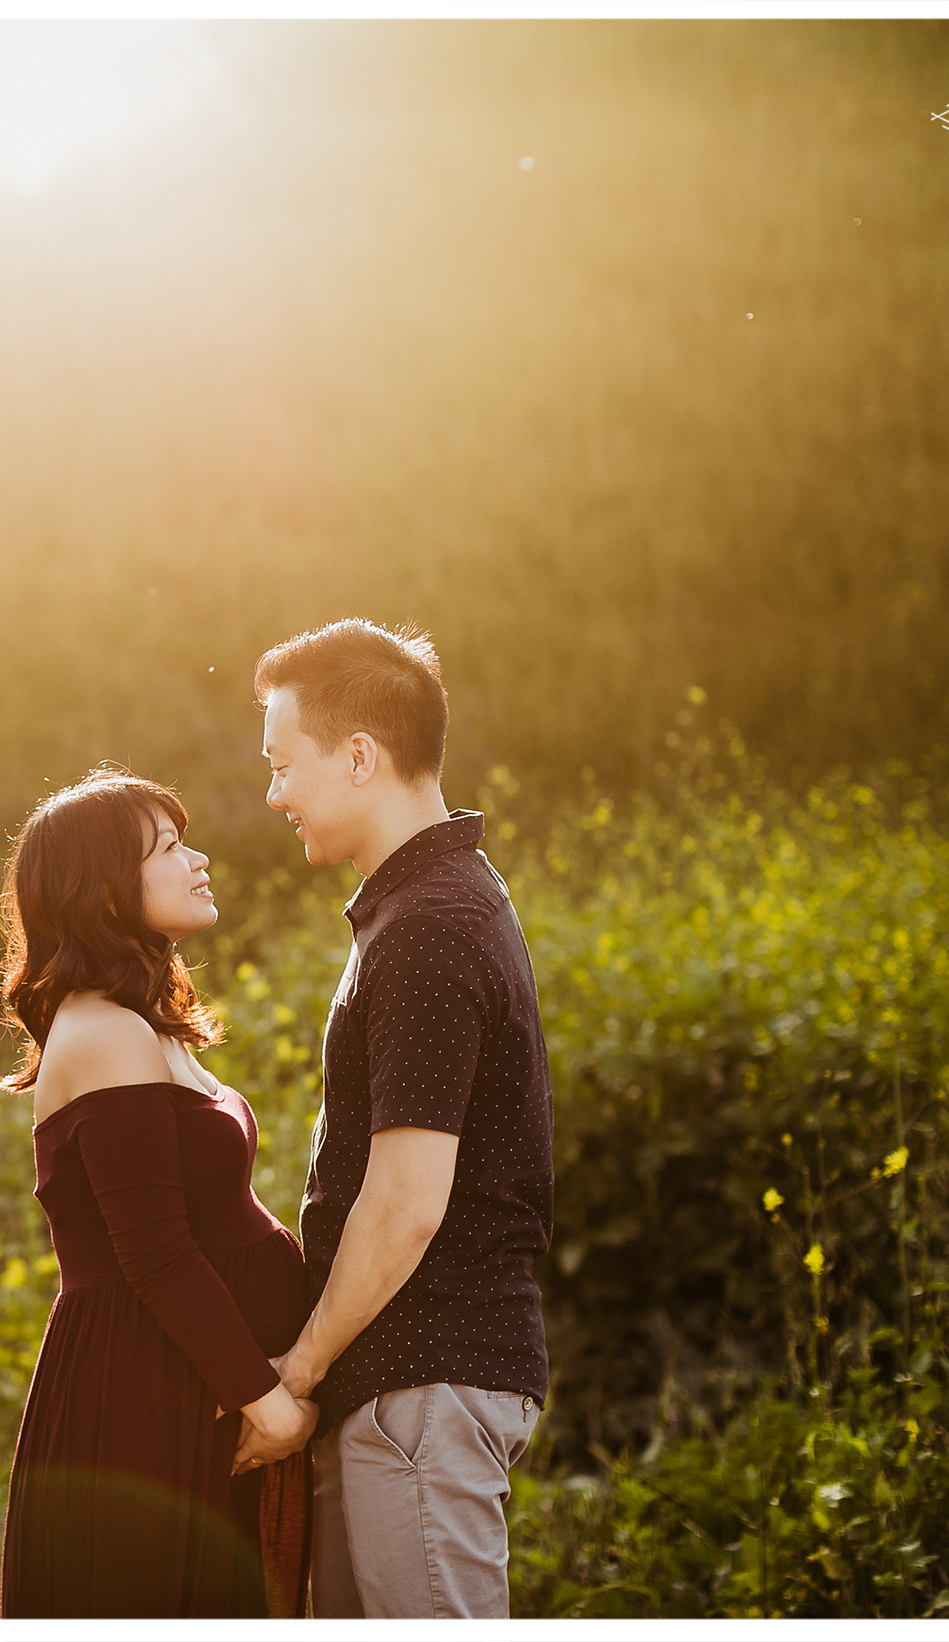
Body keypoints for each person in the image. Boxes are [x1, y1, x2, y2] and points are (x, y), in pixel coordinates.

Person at [253, 619, 556, 1619]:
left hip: (422, 1389)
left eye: (282, 763)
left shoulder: (428, 925)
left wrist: (299, 1366)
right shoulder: (424, 906)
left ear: (357, 755)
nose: (274, 794)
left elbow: (406, 1201)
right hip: (397, 1391)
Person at [0, 764, 319, 1618]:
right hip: (146, 1398)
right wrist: (270, 1404)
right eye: (170, 847)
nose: (200, 858)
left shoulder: (137, 1025)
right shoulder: (101, 1033)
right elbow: (157, 1253)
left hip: (198, 1388)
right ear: (101, 890)